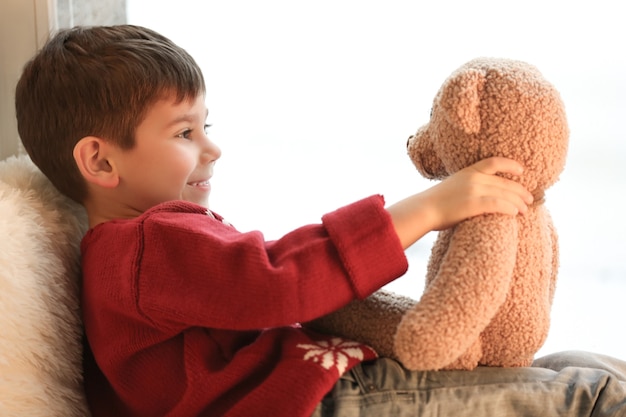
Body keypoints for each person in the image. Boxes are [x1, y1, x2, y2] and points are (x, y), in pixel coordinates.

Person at [14, 24, 626, 417]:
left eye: (207, 126)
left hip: (327, 385)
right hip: (321, 402)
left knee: (579, 368)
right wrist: (431, 208)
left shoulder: (138, 248)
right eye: (183, 133)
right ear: (99, 160)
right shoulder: (142, 246)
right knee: (595, 396)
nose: (211, 148)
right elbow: (273, 281)